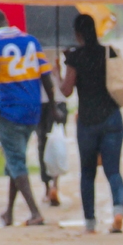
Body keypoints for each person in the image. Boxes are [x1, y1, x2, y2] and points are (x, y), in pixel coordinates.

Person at [60, 14, 123, 234]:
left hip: (87, 122)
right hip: (112, 119)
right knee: (113, 171)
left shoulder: (75, 57)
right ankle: (118, 212)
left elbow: (66, 91)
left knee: (87, 174)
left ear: (77, 34)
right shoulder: (109, 52)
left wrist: (60, 67)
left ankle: (90, 223)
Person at [0, 10, 57, 227]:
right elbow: (46, 77)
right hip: (33, 111)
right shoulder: (31, 41)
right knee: (16, 160)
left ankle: (35, 212)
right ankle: (9, 212)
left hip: (10, 112)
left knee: (16, 161)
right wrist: (52, 107)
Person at [36, 65, 67, 207]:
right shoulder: (60, 45)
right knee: (56, 143)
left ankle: (48, 188)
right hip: (57, 100)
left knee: (43, 144)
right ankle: (54, 184)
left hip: (38, 100)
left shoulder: (30, 47)